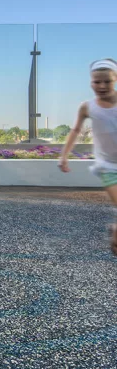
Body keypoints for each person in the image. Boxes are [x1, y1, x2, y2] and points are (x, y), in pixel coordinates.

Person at [59, 58, 117, 254]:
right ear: (91, 82)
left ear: (115, 79)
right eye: (96, 81)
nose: (101, 86)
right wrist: (64, 156)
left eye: (107, 81)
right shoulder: (87, 107)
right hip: (107, 167)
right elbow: (75, 130)